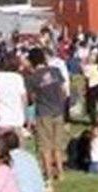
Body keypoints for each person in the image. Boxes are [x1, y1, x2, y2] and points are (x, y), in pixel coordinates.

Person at [24, 48, 67, 184]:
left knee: (45, 146)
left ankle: (48, 174)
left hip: (43, 112)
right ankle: (60, 172)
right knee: (57, 144)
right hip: (58, 111)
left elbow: (30, 99)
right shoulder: (55, 71)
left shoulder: (32, 78)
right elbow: (63, 91)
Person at [0, 54, 28, 134]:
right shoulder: (18, 78)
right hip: (17, 119)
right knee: (18, 145)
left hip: (0, 119)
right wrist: (25, 115)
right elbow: (24, 99)